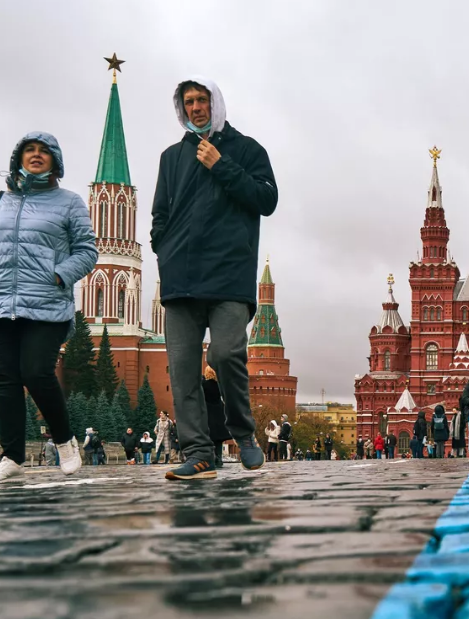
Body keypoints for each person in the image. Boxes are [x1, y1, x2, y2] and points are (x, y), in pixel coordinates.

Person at [152, 78, 276, 480]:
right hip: (182, 278)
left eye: (201, 100)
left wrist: (220, 165)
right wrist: (163, 249)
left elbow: (267, 199)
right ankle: (199, 452)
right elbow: (160, 215)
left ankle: (243, 435)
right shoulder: (171, 157)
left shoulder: (246, 149)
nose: (195, 108)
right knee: (181, 369)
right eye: (188, 102)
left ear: (215, 103)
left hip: (228, 275)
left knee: (225, 354)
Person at [0, 132, 96, 483]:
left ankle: (66, 441)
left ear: (55, 161)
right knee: (6, 379)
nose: (35, 156)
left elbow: (87, 250)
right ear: (18, 158)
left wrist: (58, 276)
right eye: (29, 150)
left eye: (43, 151)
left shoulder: (69, 202)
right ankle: (12, 457)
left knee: (36, 371)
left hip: (46, 302)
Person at [201, 365, 233, 469]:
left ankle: (211, 458)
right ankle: (219, 458)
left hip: (208, 413)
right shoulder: (219, 385)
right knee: (218, 440)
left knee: (209, 438)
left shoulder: (204, 384)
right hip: (219, 413)